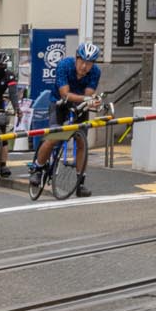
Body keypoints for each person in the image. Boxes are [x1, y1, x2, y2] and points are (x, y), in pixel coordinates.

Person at [31, 43, 103, 199]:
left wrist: (91, 101)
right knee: (54, 138)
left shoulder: (96, 72)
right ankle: (38, 168)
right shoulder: (64, 65)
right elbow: (65, 94)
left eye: (89, 63)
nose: (84, 66)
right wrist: (87, 99)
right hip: (58, 103)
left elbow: (89, 94)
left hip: (79, 106)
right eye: (82, 61)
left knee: (81, 141)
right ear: (76, 58)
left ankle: (80, 183)